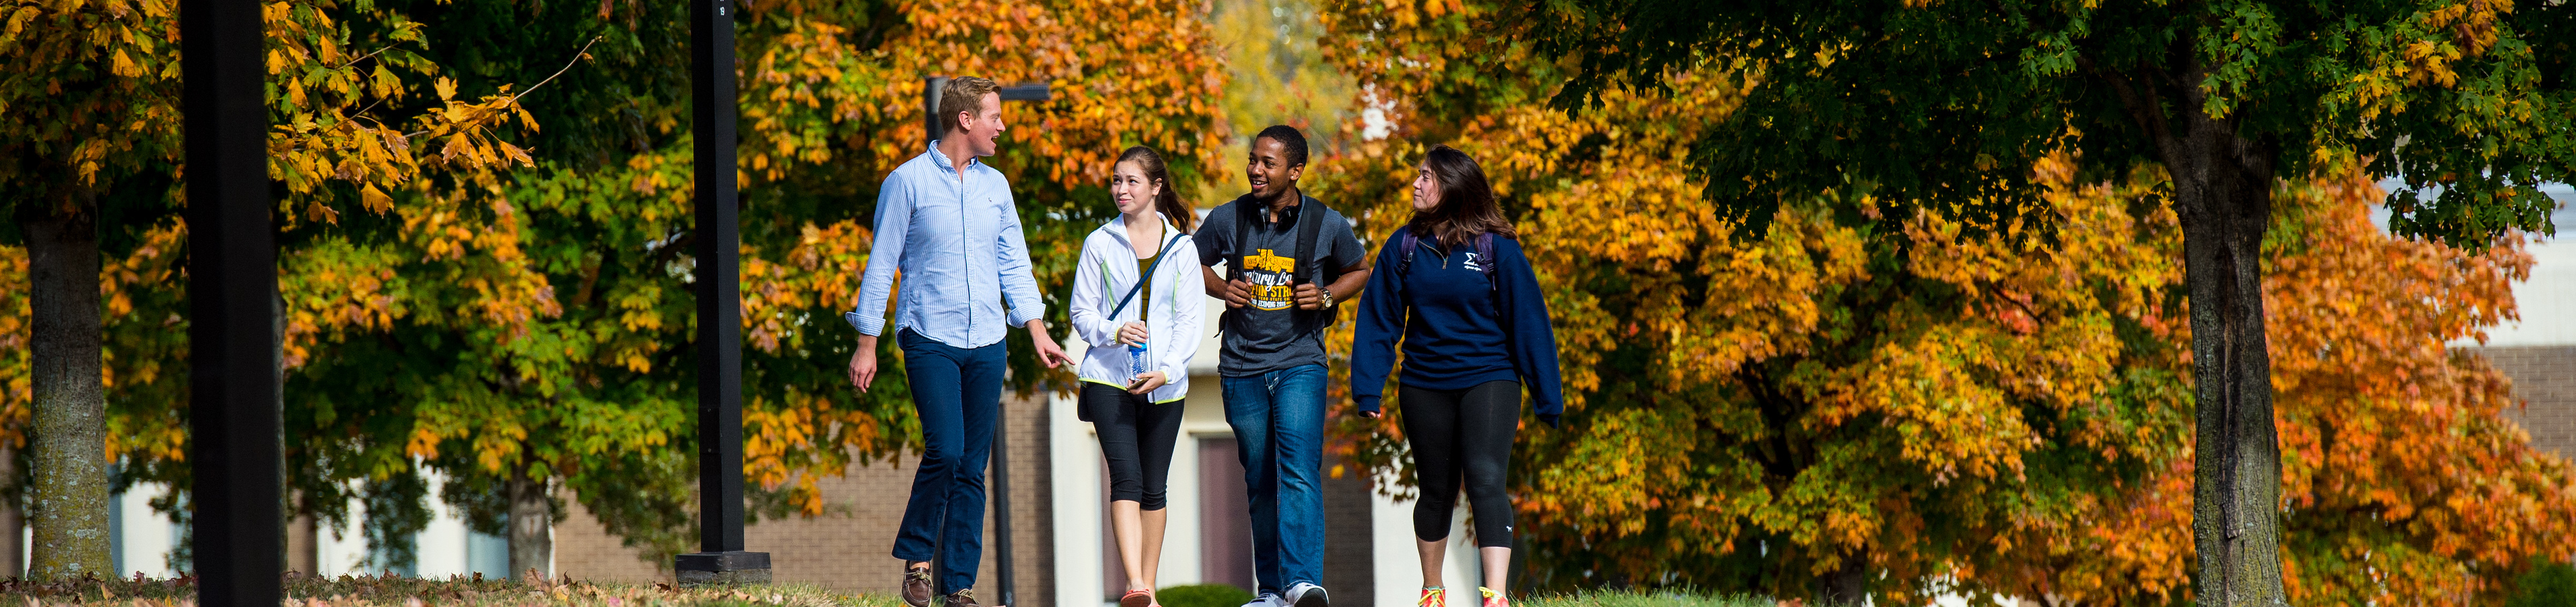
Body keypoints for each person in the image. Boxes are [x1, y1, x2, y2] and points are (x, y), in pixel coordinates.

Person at [846, 76, 1075, 607]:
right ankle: (918, 557)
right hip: (929, 336)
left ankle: (959, 587)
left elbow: (1013, 260)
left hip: (989, 340)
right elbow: (882, 264)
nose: (1002, 125)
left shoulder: (997, 187)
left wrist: (1035, 326)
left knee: (973, 466)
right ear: (966, 120)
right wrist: (867, 341)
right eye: (994, 116)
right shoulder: (906, 183)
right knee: (945, 450)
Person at [1348, 145, 1564, 607]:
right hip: (1425, 382)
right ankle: (1433, 589)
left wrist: (1548, 396)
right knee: (1436, 488)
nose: (1416, 184)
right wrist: (1368, 388)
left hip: (1490, 377)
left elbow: (1528, 320)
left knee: (1486, 478)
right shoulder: (1403, 247)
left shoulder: (1495, 249)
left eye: (1426, 177)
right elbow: (1378, 319)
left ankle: (1495, 595)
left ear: (1453, 187)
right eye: (1418, 176)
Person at [1195, 125, 1372, 607]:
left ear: (1295, 171)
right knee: (1259, 478)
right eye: (1252, 159)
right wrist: (1220, 288)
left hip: (1300, 363)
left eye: (1267, 163)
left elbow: (1360, 268)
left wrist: (1328, 294)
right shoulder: (1228, 217)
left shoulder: (1325, 223)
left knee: (1298, 470)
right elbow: (1191, 260)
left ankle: (1301, 583)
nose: (1255, 169)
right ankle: (1271, 590)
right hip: (1241, 368)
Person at [1068, 146, 1206, 607]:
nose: (1120, 190)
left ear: (1156, 187)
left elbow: (1191, 322)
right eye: (1116, 181)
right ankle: (1135, 584)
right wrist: (1113, 330)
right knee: (1125, 477)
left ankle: (1149, 588)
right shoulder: (1099, 243)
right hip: (1108, 377)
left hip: (1165, 383)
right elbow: (1081, 313)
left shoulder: (1183, 248)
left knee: (1154, 486)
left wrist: (1168, 371)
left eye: (1130, 181)